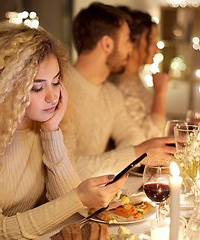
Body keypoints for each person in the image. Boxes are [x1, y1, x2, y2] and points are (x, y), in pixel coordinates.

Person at [0, 22, 126, 239]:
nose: (52, 97)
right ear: (5, 87)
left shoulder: (41, 126)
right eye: (37, 87)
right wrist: (78, 197)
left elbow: (68, 206)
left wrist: (51, 131)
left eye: (55, 81)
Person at [61, 2, 174, 181]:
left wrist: (138, 150)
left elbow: (132, 136)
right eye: (127, 40)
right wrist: (137, 152)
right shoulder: (59, 90)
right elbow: (63, 167)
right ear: (107, 44)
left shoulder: (110, 93)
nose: (130, 49)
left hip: (94, 198)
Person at [108, 6, 170, 139]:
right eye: (151, 39)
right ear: (132, 40)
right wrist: (160, 92)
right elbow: (152, 136)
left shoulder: (135, 78)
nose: (156, 47)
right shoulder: (119, 85)